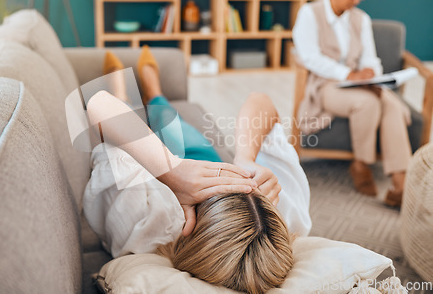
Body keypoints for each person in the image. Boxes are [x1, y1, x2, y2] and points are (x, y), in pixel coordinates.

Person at [84, 46, 311, 292]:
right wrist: (245, 159)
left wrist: (168, 172)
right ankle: (154, 93)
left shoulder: (148, 225)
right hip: (203, 161)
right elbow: (260, 100)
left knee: (128, 113)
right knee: (168, 118)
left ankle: (122, 90)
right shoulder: (285, 214)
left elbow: (100, 104)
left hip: (147, 170)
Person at [292, 0, 411, 208]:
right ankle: (361, 164)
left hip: (361, 83)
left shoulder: (361, 19)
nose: (356, 0)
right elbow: (310, 57)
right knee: (367, 104)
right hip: (326, 85)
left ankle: (401, 185)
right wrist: (348, 74)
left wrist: (372, 74)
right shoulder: (309, 14)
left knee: (395, 107)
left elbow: (370, 57)